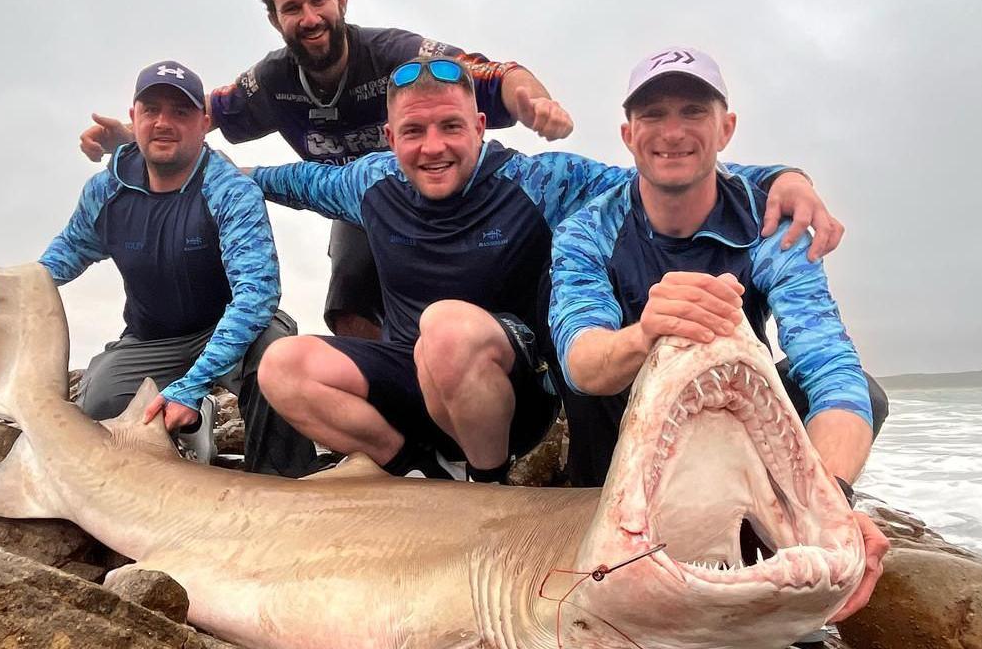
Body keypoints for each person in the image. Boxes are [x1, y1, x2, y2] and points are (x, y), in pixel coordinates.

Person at [248, 56, 830, 483]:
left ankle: (488, 482)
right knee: (282, 365)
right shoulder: (368, 180)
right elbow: (288, 183)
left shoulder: (537, 180)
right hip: (410, 371)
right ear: (388, 138)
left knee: (447, 328)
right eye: (414, 132)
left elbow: (663, 174)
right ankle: (416, 471)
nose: (433, 147)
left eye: (451, 127)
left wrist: (781, 178)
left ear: (480, 126)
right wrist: (222, 174)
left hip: (508, 384)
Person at [78, 0, 574, 342]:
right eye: (292, 8)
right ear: (276, 20)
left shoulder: (394, 53)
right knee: (347, 303)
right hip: (360, 206)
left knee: (477, 295)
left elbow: (492, 73)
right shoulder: (271, 81)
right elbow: (197, 114)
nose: (309, 17)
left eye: (318, 0)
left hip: (442, 192)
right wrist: (137, 138)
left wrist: (535, 101)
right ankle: (390, 420)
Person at [547, 46, 889, 622]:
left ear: (726, 128)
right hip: (626, 427)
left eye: (693, 112)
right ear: (629, 135)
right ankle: (598, 504)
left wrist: (828, 506)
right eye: (653, 115)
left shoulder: (773, 225)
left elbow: (831, 368)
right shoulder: (589, 229)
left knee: (867, 394)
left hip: (732, 423)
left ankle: (778, 517)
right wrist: (647, 334)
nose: (673, 132)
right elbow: (581, 360)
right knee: (599, 376)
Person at [40, 60, 317, 477]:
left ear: (204, 122)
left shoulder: (229, 189)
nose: (164, 122)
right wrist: (19, 287)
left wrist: (195, 381)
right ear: (134, 118)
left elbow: (256, 294)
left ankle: (283, 488)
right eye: (151, 110)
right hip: (151, 339)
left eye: (181, 112)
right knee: (98, 407)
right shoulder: (106, 191)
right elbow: (67, 253)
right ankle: (193, 431)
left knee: (281, 363)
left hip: (235, 331)